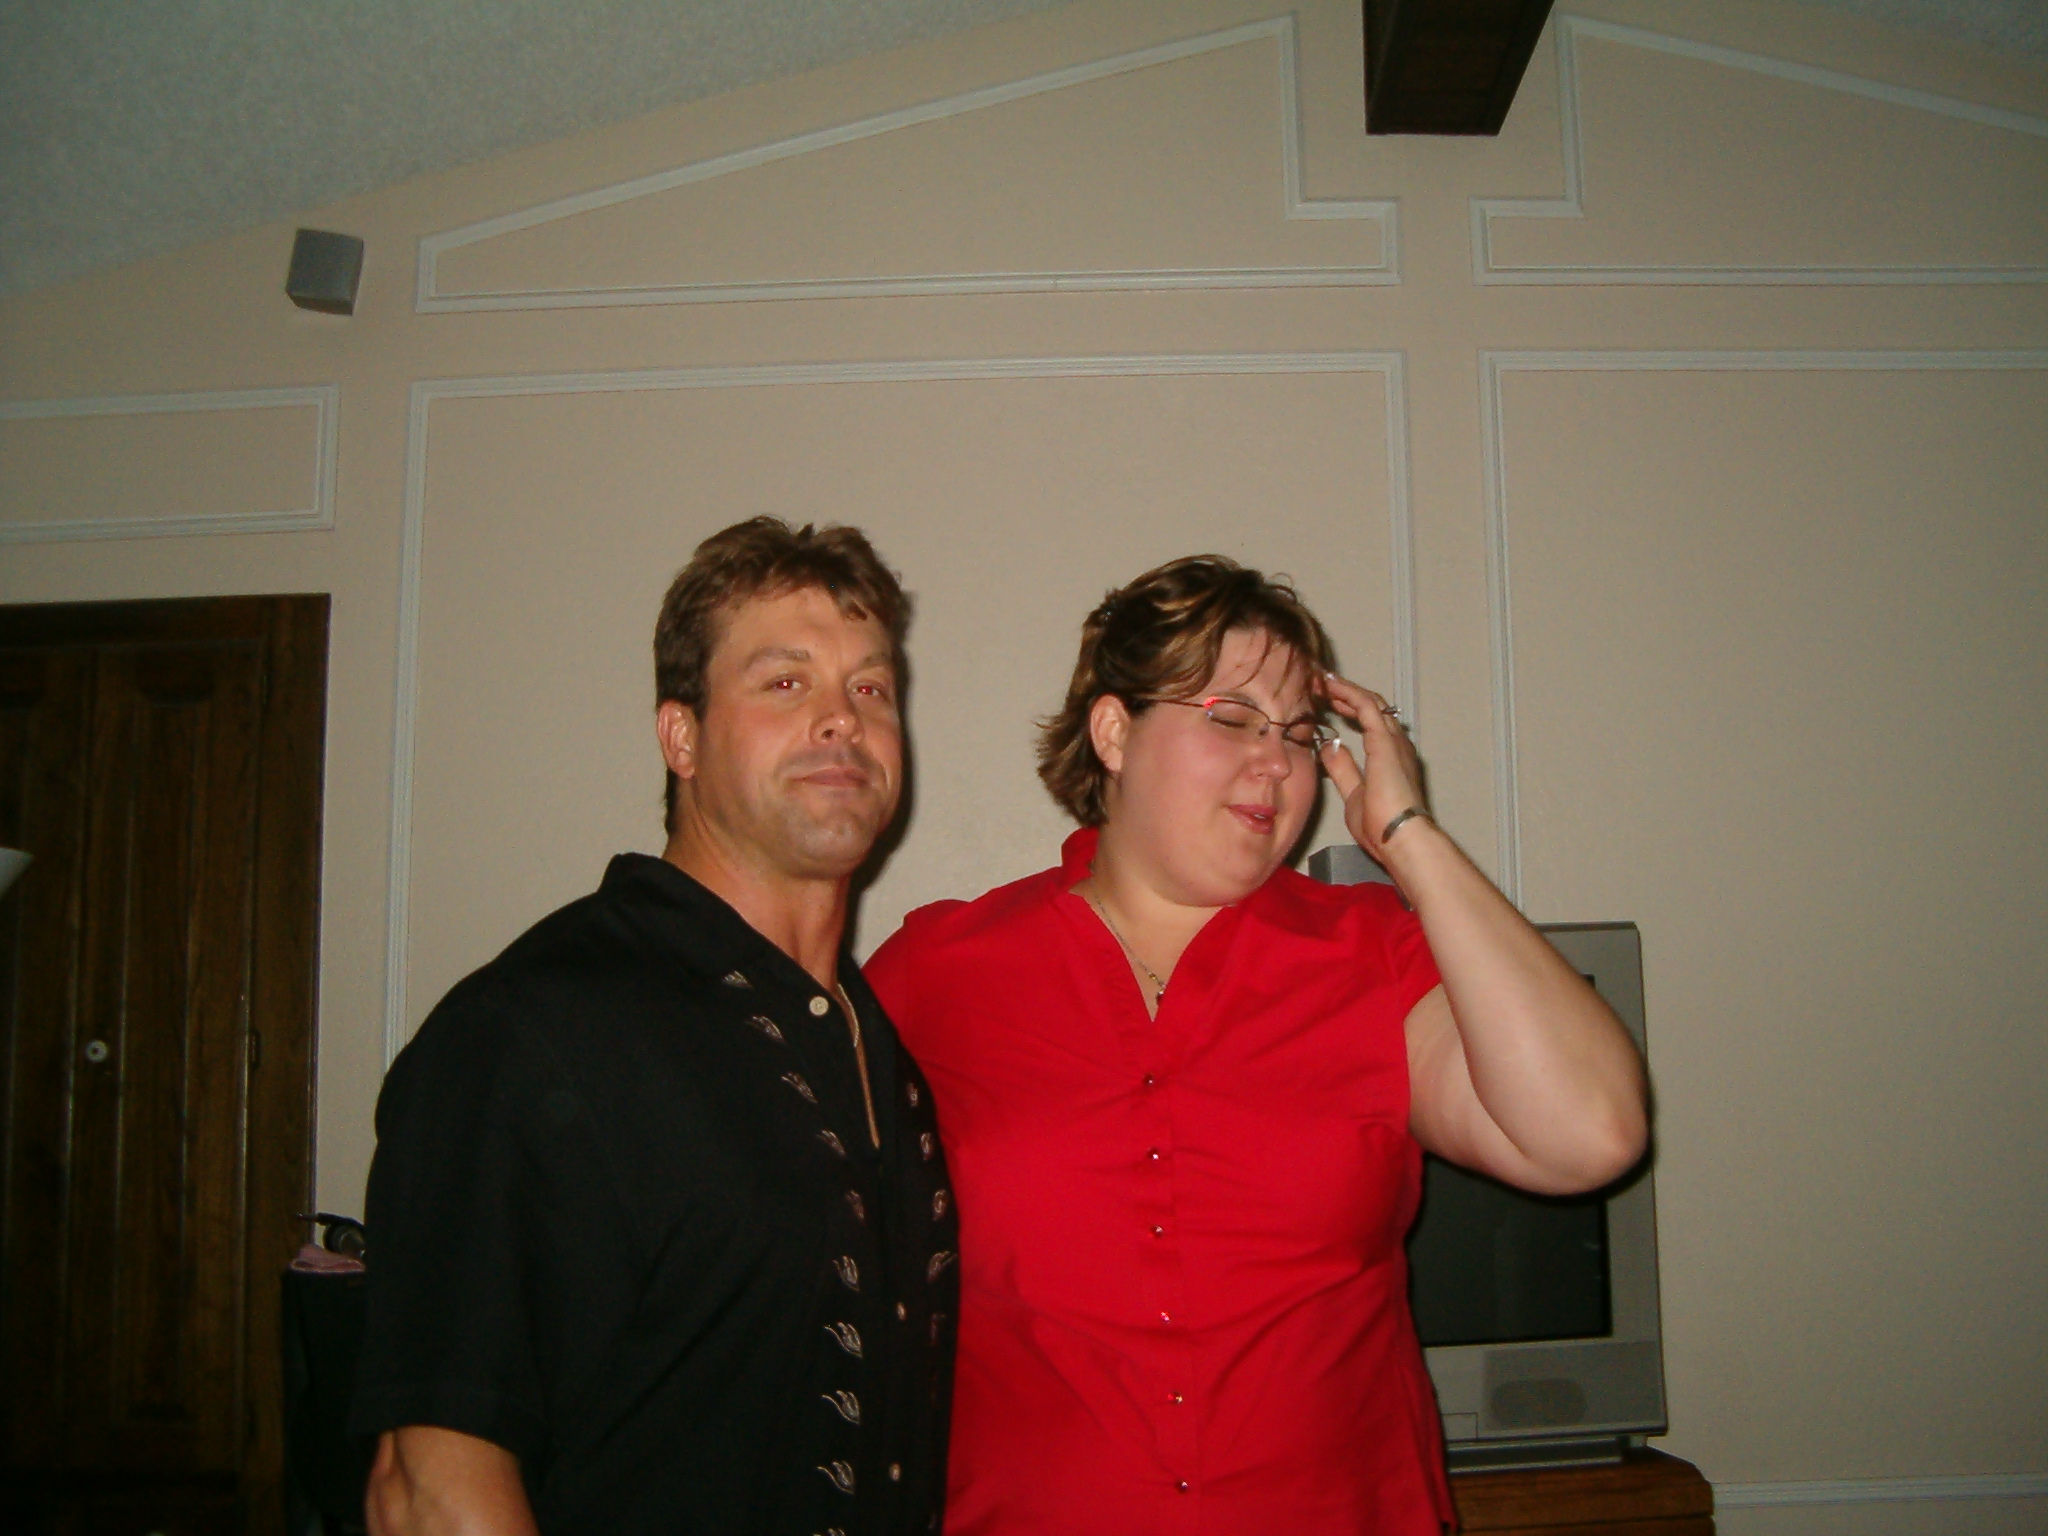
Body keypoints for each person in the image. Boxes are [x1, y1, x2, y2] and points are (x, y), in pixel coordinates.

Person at [865, 555, 1648, 1535]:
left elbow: (1587, 1136)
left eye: (1298, 732)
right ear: (1114, 732)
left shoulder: (1370, 950)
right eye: (1231, 718)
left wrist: (1409, 835)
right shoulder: (940, 970)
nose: (1276, 764)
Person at [351, 517, 958, 1536]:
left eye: (870, 689)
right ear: (680, 737)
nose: (840, 721)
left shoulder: (876, 1051)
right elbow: (426, 1485)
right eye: (784, 682)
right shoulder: (532, 1029)